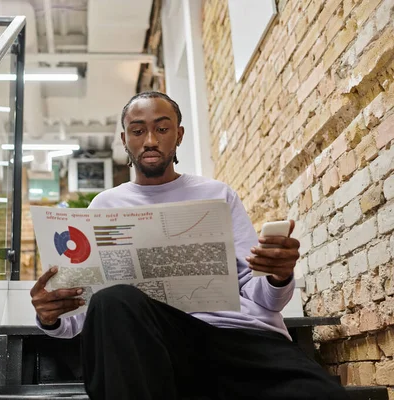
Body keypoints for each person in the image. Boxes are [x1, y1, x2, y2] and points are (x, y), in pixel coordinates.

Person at [30, 92, 348, 400]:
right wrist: (51, 317)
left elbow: (265, 300)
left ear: (179, 135)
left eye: (162, 128)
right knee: (113, 300)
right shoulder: (104, 205)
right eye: (138, 130)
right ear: (125, 139)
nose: (150, 140)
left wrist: (278, 276)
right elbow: (87, 316)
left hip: (237, 341)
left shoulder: (217, 194)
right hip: (158, 346)